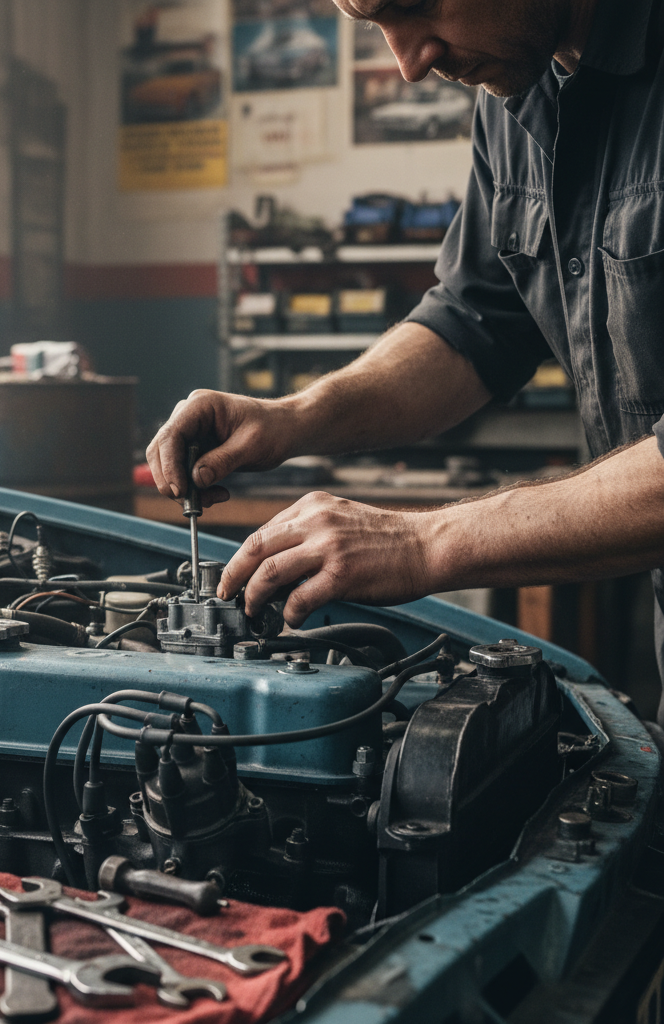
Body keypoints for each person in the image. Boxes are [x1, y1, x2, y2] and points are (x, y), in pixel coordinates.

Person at [146, 0, 664, 689]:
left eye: (416, 7)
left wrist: (424, 541)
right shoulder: (515, 90)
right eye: (373, 27)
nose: (409, 65)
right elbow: (471, 324)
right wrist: (291, 418)